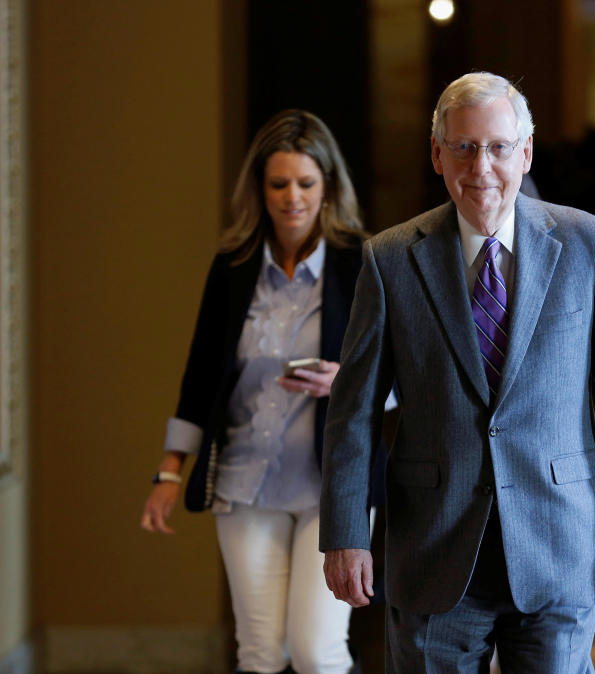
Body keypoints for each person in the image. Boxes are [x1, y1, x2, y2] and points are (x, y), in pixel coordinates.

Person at [319, 71, 595, 673]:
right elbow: (354, 412)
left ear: (525, 152)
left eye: (500, 147)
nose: (483, 166)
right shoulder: (391, 258)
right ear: (437, 155)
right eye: (465, 147)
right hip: (434, 548)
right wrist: (347, 532)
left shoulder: (589, 244)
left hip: (559, 540)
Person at [140, 109, 372, 674]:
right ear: (259, 189)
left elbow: (411, 377)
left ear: (328, 187)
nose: (292, 197)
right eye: (278, 184)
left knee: (318, 652)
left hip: (333, 486)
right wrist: (170, 473)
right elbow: (199, 378)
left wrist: (347, 379)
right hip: (246, 481)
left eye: (306, 183)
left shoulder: (364, 262)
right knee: (260, 652)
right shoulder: (233, 267)